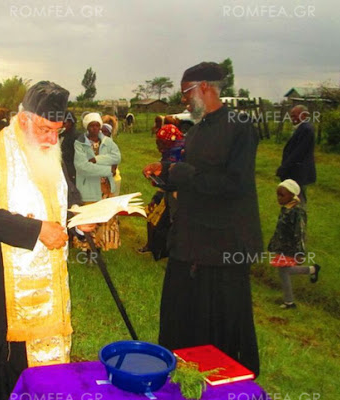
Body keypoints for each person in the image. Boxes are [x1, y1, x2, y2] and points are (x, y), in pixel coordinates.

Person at [0, 81, 95, 400]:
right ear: (24, 120)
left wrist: (78, 220)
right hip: (4, 282)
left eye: (57, 131)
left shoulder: (49, 149)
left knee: (50, 364)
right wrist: (36, 230)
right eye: (45, 130)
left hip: (50, 280)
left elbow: (65, 195)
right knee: (8, 360)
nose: (53, 139)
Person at [143, 61, 262, 375]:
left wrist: (183, 173)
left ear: (206, 88)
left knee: (221, 316)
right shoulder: (195, 131)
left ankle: (225, 376)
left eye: (186, 93)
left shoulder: (240, 126)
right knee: (180, 308)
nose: (184, 100)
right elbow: (193, 178)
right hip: (191, 238)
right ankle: (180, 366)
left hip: (224, 244)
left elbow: (235, 185)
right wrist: (165, 172)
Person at [268, 179, 321, 309]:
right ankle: (312, 270)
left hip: (290, 248)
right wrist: (272, 244)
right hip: (282, 246)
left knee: (283, 271)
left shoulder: (297, 212)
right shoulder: (285, 209)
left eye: (282, 195)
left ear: (292, 195)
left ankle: (289, 302)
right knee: (284, 271)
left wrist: (300, 252)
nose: (279, 198)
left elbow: (300, 233)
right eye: (278, 195)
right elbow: (279, 229)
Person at [73, 112, 121, 251]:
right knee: (89, 219)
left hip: (105, 188)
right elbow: (82, 167)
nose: (95, 128)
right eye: (91, 125)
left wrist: (96, 160)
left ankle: (99, 248)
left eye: (97, 125)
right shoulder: (80, 144)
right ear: (86, 127)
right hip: (89, 188)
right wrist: (107, 170)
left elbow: (116, 157)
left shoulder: (107, 142)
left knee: (104, 219)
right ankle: (89, 251)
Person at [138, 122, 185, 258]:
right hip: (167, 193)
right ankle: (151, 246)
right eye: (158, 144)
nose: (159, 148)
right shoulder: (169, 154)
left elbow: (177, 182)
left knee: (169, 222)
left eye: (162, 144)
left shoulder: (183, 154)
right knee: (151, 212)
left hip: (180, 197)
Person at [276, 105, 316, 204]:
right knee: (293, 198)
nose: (292, 118)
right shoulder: (300, 128)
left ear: (304, 115)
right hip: (295, 171)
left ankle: (300, 218)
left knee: (298, 198)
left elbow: (298, 152)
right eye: (291, 116)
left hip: (299, 171)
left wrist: (284, 168)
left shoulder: (306, 129)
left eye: (295, 116)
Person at [101, 123, 122, 196]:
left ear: (109, 134)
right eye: (101, 131)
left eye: (105, 132)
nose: (102, 134)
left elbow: (113, 170)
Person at [59, 110, 78, 185]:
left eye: (64, 123)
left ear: (71, 123)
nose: (62, 125)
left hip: (71, 173)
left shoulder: (76, 137)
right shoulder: (59, 134)